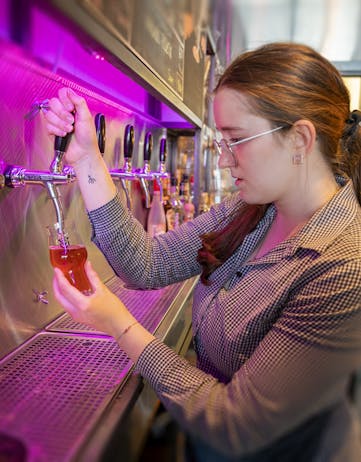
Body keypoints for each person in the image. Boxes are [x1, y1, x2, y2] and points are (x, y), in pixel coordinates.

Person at [45, 42, 361, 461]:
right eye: (221, 142)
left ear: (300, 139)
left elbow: (236, 424)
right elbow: (146, 263)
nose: (226, 161)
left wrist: (116, 322)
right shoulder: (253, 209)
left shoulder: (343, 266)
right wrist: (86, 156)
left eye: (238, 140)